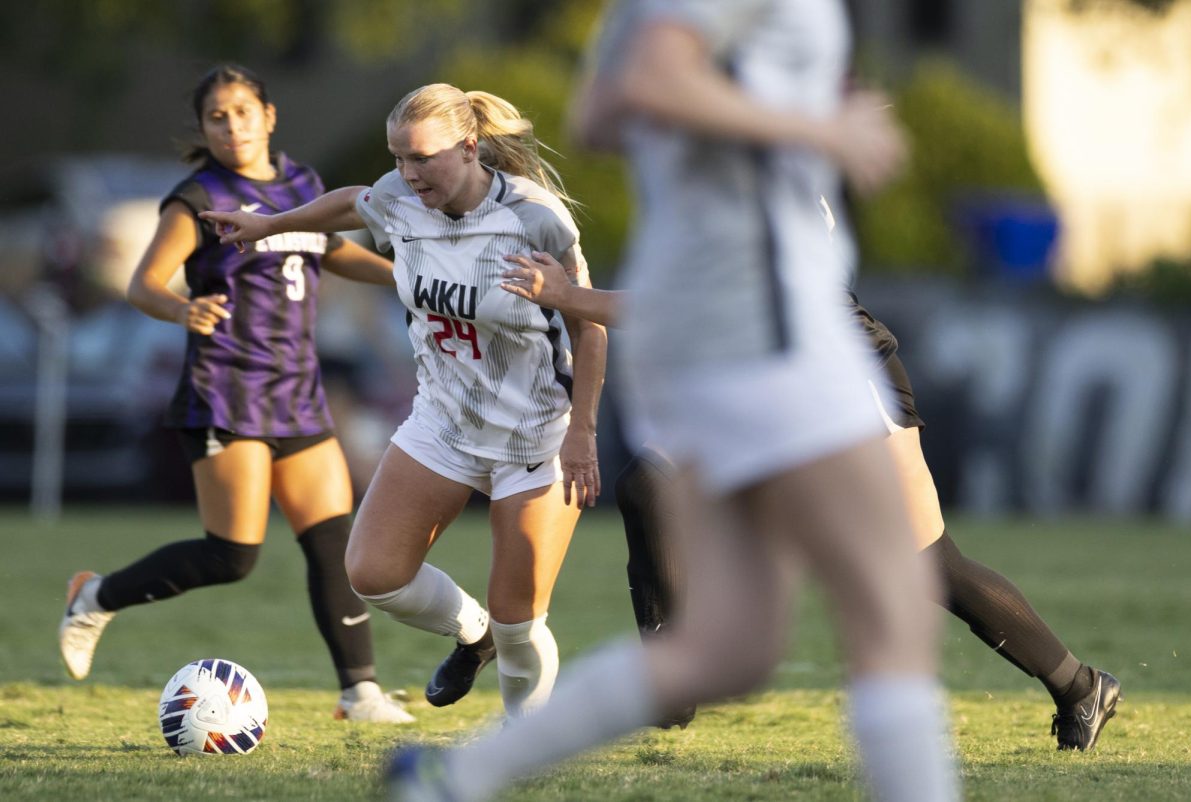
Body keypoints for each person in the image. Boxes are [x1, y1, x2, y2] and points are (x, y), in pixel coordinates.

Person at [389, 2, 960, 801]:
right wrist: (815, 131)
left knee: (730, 648)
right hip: (759, 325)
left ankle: (457, 777)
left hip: (702, 323)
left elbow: (600, 114)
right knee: (895, 613)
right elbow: (653, 81)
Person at [501, 253, 1122, 749]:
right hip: (753, 360)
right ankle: (671, 677)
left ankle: (1079, 686)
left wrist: (566, 296)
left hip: (838, 367)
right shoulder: (713, 153)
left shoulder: (751, 160)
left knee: (927, 563)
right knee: (649, 484)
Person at [200, 83, 608, 721]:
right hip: (442, 423)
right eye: (398, 158)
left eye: (422, 158)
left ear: (470, 148)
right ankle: (471, 635)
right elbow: (352, 205)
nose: (406, 174)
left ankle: (520, 747)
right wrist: (272, 225)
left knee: (519, 621)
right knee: (374, 574)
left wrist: (583, 430)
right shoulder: (399, 197)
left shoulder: (534, 217)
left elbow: (590, 324)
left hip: (534, 437)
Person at [57, 64, 416, 724]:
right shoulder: (197, 196)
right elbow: (144, 284)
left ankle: (359, 692)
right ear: (203, 128)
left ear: (269, 116)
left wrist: (407, 275)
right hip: (226, 388)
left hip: (296, 387)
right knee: (232, 556)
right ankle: (96, 596)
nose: (232, 125)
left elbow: (329, 250)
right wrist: (179, 310)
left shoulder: (301, 182)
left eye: (243, 111)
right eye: (217, 116)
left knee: (333, 540)